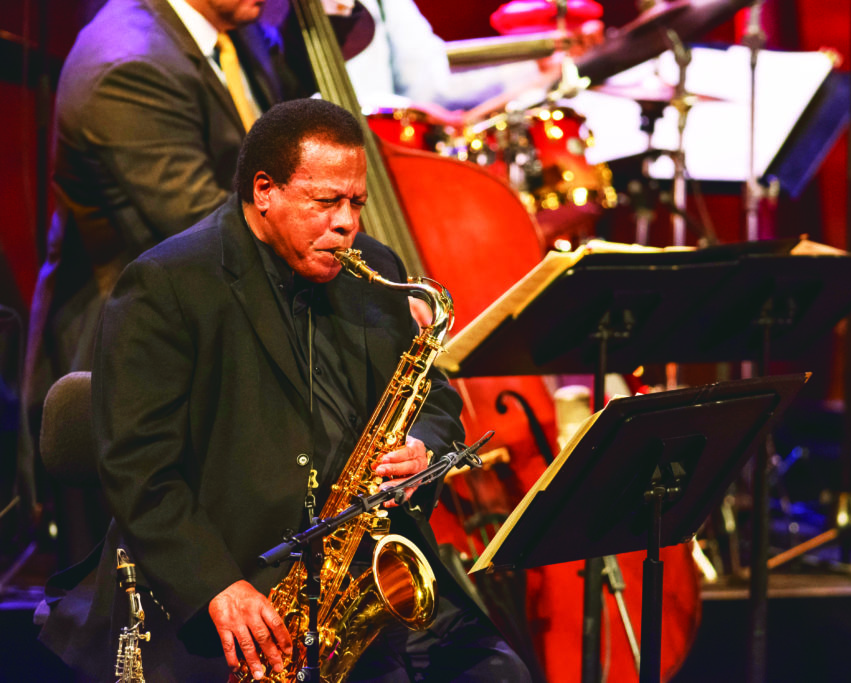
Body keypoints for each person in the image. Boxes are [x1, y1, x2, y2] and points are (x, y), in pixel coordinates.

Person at [39, 98, 530, 682]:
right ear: (264, 190)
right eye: (326, 203)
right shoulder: (168, 284)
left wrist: (421, 444)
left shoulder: (369, 266)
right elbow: (138, 469)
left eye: (356, 203)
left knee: (500, 675)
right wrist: (217, 585)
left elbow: (435, 395)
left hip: (355, 578)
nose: (347, 222)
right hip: (222, 590)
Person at [20, 0, 301, 563]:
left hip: (225, 314)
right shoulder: (128, 65)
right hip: (142, 355)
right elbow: (212, 232)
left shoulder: (235, 29)